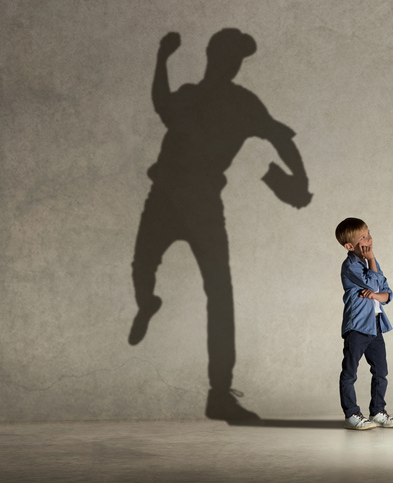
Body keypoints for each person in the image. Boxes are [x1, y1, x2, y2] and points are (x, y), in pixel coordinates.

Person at [129, 29, 311, 424]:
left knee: (220, 292)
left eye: (239, 58)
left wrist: (301, 179)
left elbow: (279, 136)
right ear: (213, 55)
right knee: (142, 269)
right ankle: (147, 303)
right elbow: (162, 102)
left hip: (203, 204)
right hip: (165, 197)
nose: (234, 64)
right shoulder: (191, 94)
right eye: (230, 55)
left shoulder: (243, 103)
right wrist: (162, 57)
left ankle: (219, 394)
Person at [335, 218, 393, 430]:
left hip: (375, 325)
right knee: (350, 372)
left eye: (369, 233)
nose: (369, 239)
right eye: (362, 237)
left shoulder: (369, 263)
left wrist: (376, 295)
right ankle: (351, 414)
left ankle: (378, 411)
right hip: (358, 327)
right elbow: (375, 282)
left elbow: (387, 291)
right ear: (349, 246)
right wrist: (375, 286)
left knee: (381, 371)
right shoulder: (350, 266)